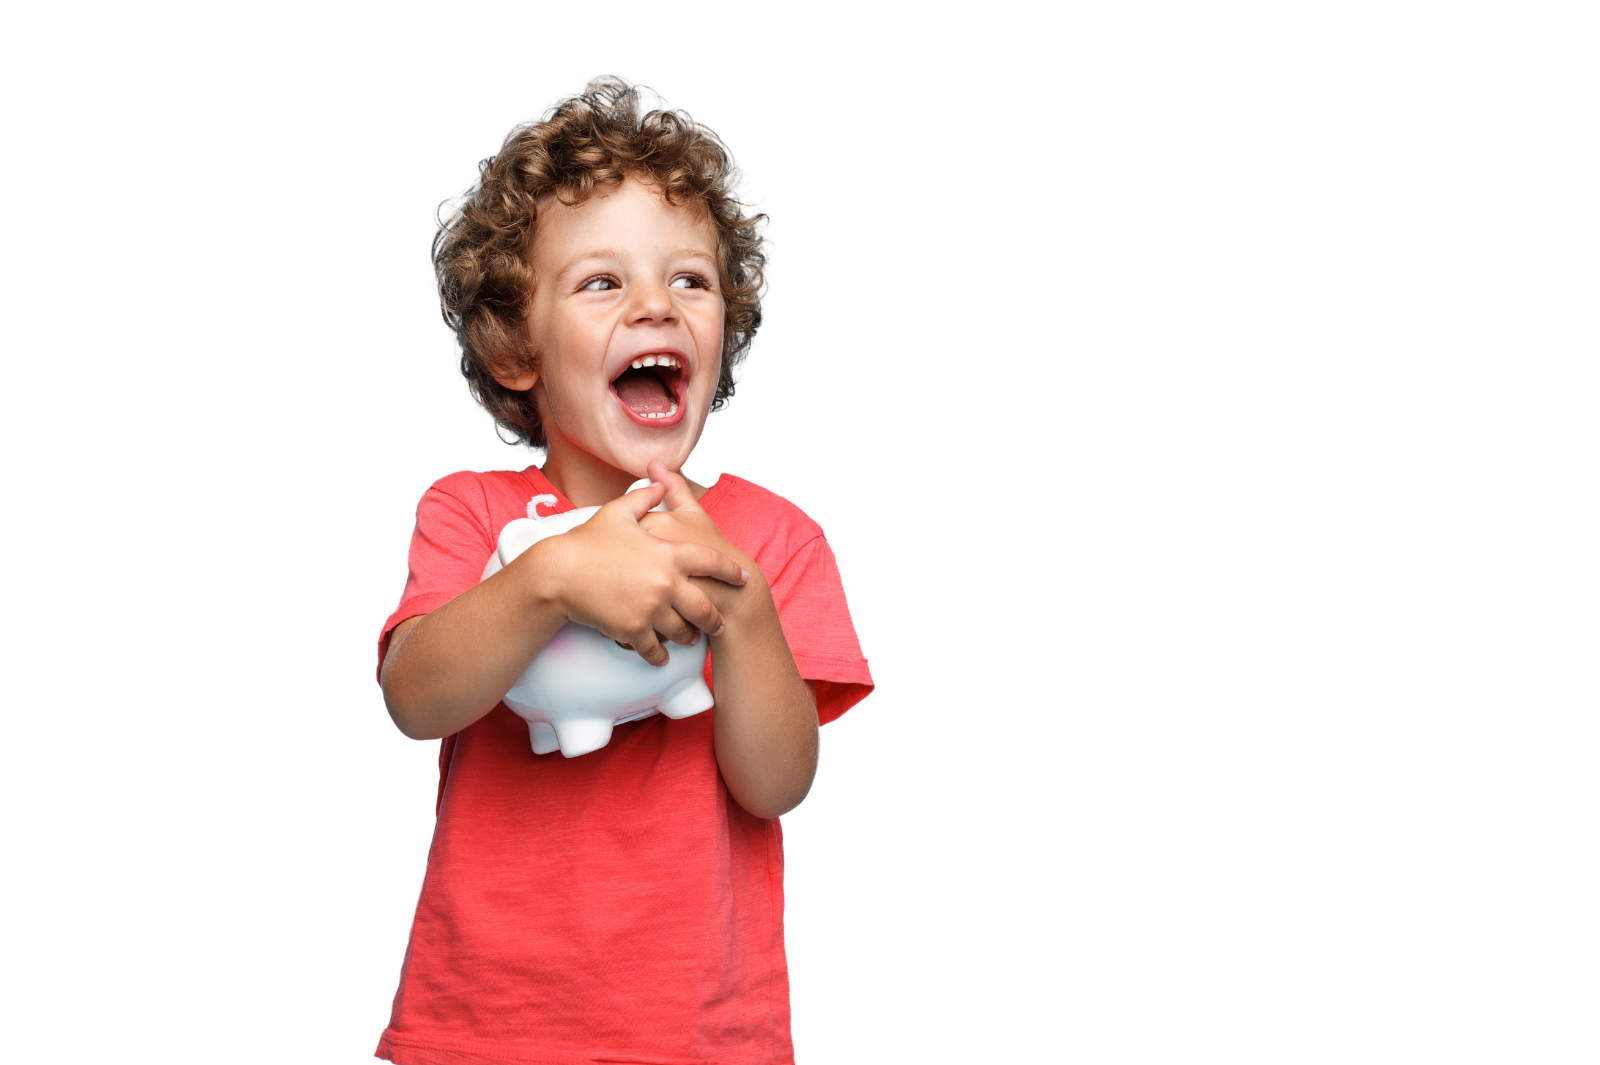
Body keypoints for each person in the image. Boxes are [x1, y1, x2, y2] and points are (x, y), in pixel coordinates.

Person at [373, 73, 874, 1065]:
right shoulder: (471, 512)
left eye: (688, 280)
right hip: (480, 1032)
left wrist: (749, 615)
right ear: (518, 346)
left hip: (699, 1035)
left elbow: (774, 786)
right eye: (604, 282)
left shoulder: (767, 537)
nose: (656, 304)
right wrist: (548, 580)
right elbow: (418, 701)